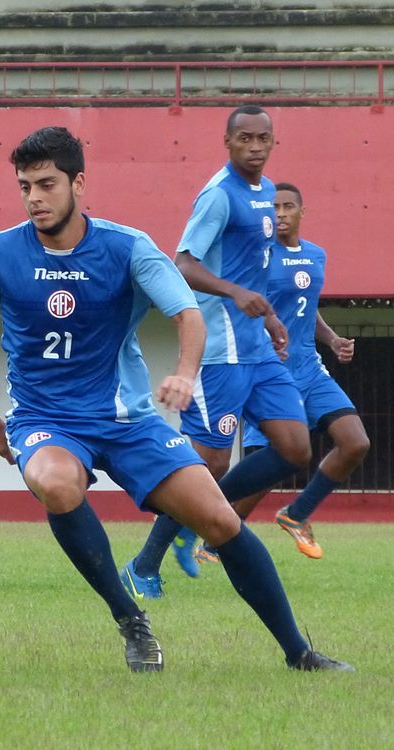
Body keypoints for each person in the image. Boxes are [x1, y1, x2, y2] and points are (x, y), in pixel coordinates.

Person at [0, 125, 352, 672]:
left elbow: (187, 314)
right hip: (46, 418)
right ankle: (131, 618)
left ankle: (299, 652)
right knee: (56, 482)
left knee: (220, 521)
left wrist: (187, 373)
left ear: (79, 183)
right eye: (24, 186)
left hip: (128, 419)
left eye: (46, 184)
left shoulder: (126, 247)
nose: (33, 198)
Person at [121, 105, 315, 590]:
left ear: (273, 143)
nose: (254, 147)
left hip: (258, 350)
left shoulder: (268, 193)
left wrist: (269, 314)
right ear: (227, 142)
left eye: (262, 139)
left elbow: (255, 268)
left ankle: (198, 519)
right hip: (220, 353)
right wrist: (234, 293)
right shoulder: (218, 196)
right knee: (209, 464)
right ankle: (145, 564)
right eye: (244, 139)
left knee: (295, 449)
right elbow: (181, 264)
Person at [214, 183, 369, 559]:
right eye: (274, 208)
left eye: (287, 207)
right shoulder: (259, 258)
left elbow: (306, 306)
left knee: (355, 443)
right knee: (263, 472)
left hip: (311, 371)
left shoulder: (316, 255)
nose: (280, 213)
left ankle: (297, 514)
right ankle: (212, 537)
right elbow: (247, 307)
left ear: (302, 212)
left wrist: (331, 340)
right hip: (273, 373)